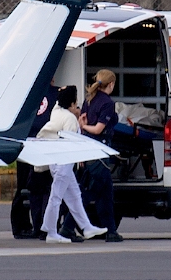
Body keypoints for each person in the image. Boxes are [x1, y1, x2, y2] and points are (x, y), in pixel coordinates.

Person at [37, 86, 107, 243]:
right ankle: (51, 231)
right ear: (71, 104)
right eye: (76, 104)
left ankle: (86, 227)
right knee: (57, 196)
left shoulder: (57, 112)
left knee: (74, 195)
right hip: (64, 162)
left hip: (58, 161)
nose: (77, 108)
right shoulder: (68, 119)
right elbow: (72, 142)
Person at [79, 69, 124, 243]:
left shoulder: (89, 100)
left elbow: (82, 122)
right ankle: (67, 227)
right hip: (99, 152)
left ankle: (111, 230)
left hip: (89, 151)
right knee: (90, 193)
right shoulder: (107, 103)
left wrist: (84, 127)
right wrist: (87, 128)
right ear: (111, 84)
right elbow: (98, 129)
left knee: (106, 194)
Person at [14, 80, 59, 239]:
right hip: (45, 145)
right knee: (45, 188)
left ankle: (21, 226)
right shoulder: (56, 94)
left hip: (25, 144)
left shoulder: (26, 93)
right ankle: (43, 225)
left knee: (24, 187)